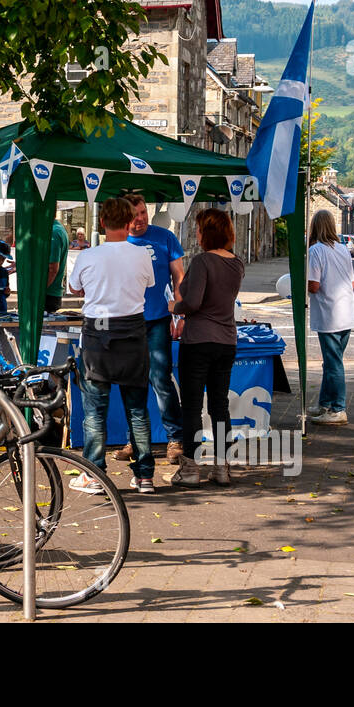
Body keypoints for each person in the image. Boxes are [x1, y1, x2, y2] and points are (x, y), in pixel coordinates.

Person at [68, 197, 156, 494]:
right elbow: (148, 284)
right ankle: (145, 475)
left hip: (98, 333)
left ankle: (93, 473)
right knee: (138, 410)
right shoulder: (143, 254)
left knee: (95, 410)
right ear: (130, 221)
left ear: (103, 222)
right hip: (133, 331)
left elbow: (74, 287)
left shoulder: (89, 255)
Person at [172, 208, 245, 487]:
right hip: (226, 341)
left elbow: (193, 302)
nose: (197, 234)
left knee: (191, 406)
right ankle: (222, 467)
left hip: (199, 340)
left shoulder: (203, 262)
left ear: (208, 233)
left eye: (200, 230)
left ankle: (190, 468)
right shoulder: (236, 263)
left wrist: (174, 307)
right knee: (219, 406)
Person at [116, 194, 187, 462]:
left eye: (143, 213)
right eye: (135, 215)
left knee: (161, 380)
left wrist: (180, 314)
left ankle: (175, 438)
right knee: (132, 383)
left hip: (157, 320)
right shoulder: (118, 241)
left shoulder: (164, 237)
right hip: (128, 322)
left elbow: (179, 276)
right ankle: (135, 440)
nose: (141, 219)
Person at [307, 208, 354, 425]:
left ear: (315, 227)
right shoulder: (343, 249)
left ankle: (338, 409)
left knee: (334, 364)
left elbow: (314, 286)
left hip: (330, 316)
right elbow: (352, 283)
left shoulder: (316, 251)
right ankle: (325, 404)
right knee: (331, 363)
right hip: (347, 313)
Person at [45, 217, 69, 313]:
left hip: (47, 294)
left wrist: (38, 292)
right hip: (50, 293)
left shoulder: (53, 232)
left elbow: (53, 268)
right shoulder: (57, 229)